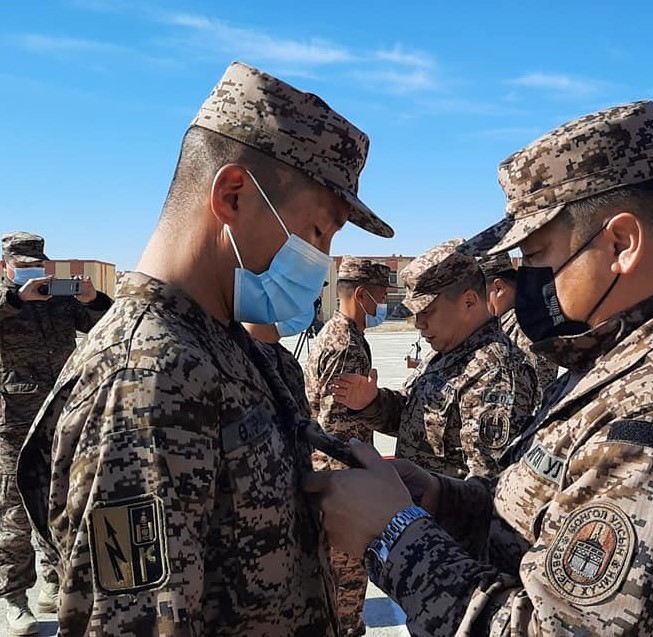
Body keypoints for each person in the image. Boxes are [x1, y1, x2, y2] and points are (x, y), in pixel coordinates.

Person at [305, 100, 653, 636]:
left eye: (537, 254)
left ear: (621, 244)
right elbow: (540, 518)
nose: (526, 277)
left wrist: (393, 533)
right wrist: (439, 497)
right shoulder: (612, 367)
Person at [17, 61, 393, 636]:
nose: (319, 260)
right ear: (233, 195)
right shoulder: (146, 377)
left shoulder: (229, 345)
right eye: (319, 231)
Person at [331, 238, 537, 480]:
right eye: (416, 314)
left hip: (435, 505)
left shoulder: (497, 372)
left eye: (427, 312)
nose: (418, 323)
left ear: (469, 302)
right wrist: (372, 402)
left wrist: (429, 494)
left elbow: (487, 485)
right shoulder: (445, 352)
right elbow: (413, 419)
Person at [0, 231, 112, 635]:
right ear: (5, 267)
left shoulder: (59, 298)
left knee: (60, 500)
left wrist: (93, 300)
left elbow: (105, 325)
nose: (32, 273)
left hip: (62, 415)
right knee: (15, 511)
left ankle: (53, 581)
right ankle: (14, 597)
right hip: (15, 420)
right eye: (23, 267)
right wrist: (16, 300)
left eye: (38, 266)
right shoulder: (5, 300)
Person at [305, 256, 392, 637]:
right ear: (361, 294)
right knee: (347, 587)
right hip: (342, 485)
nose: (384, 303)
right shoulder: (347, 347)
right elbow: (338, 431)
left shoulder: (333, 334)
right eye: (382, 295)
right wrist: (354, 496)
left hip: (328, 479)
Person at [477, 252, 558, 401]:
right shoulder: (516, 320)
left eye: (480, 297)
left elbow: (533, 396)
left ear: (498, 288)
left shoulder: (526, 328)